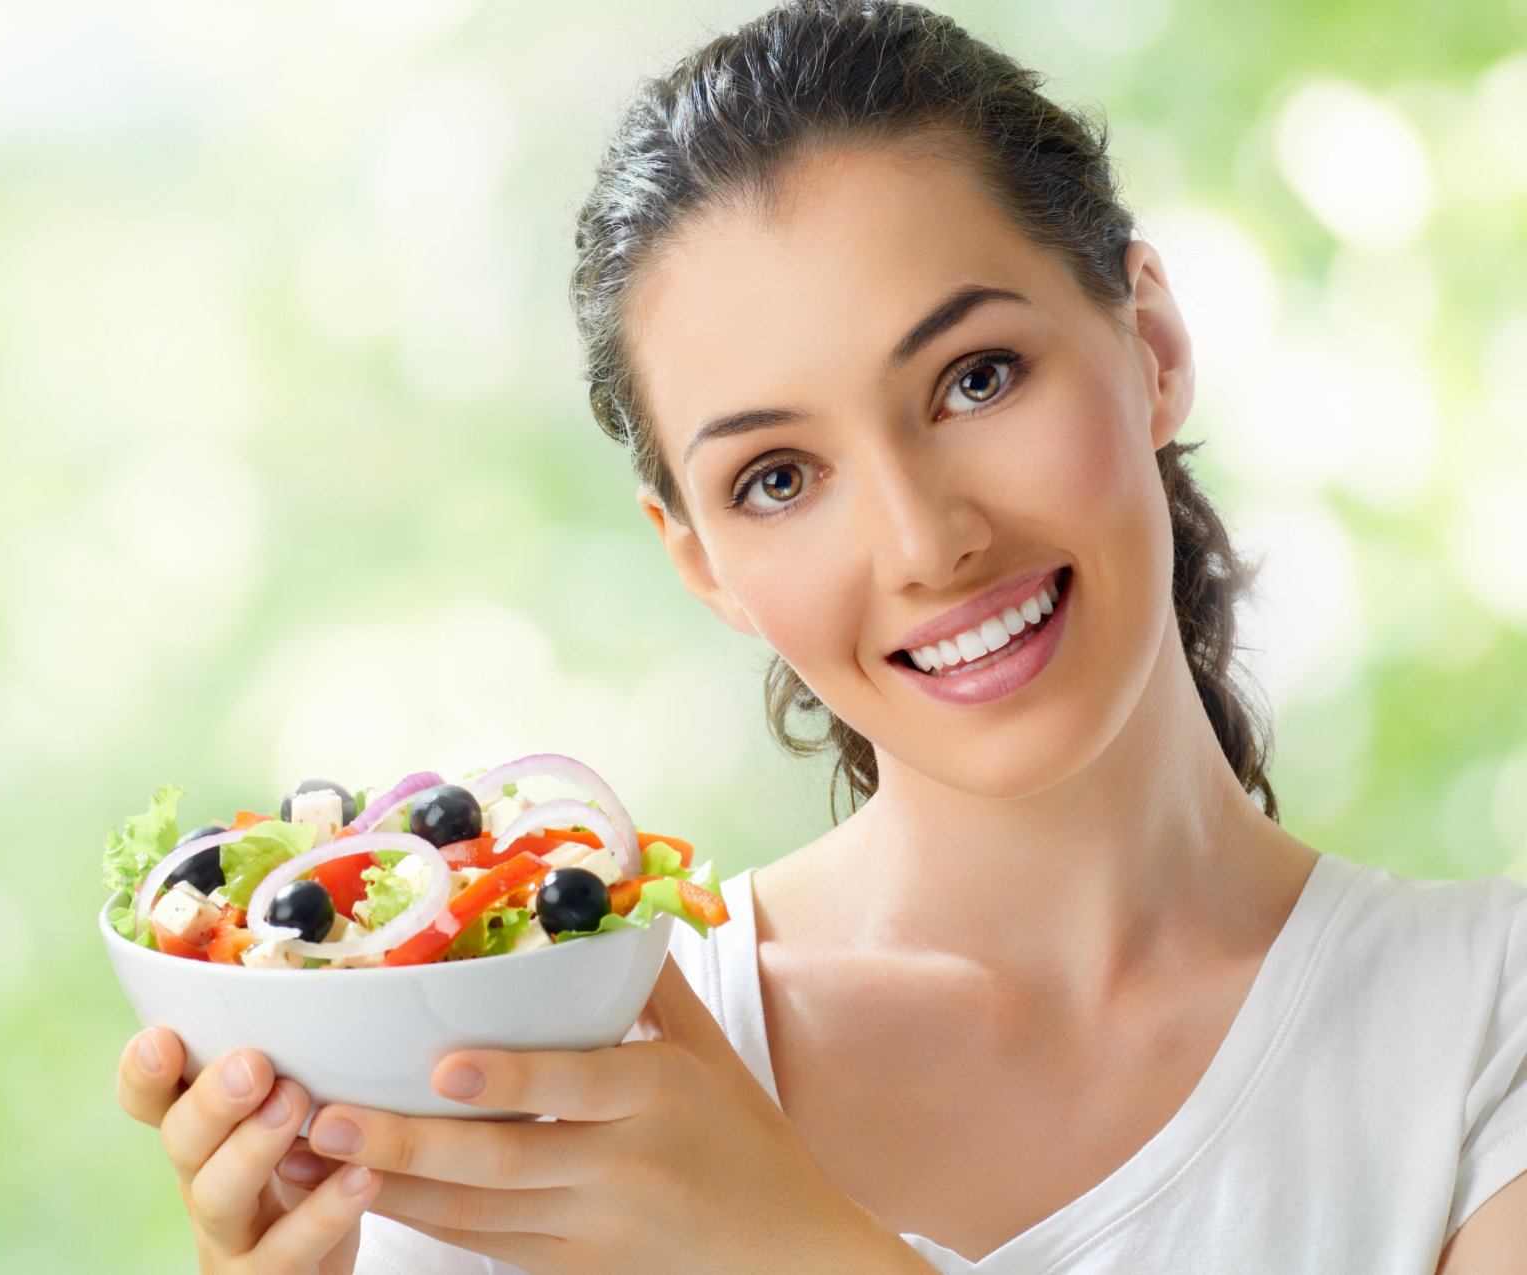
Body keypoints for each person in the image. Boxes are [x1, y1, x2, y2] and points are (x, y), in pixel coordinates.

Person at [112, 2, 1527, 1270]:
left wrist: (785, 1248)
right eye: (777, 479)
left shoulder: (1482, 1028)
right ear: (702, 562)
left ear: (1150, 341)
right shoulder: (547, 1075)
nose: (925, 543)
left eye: (977, 378)